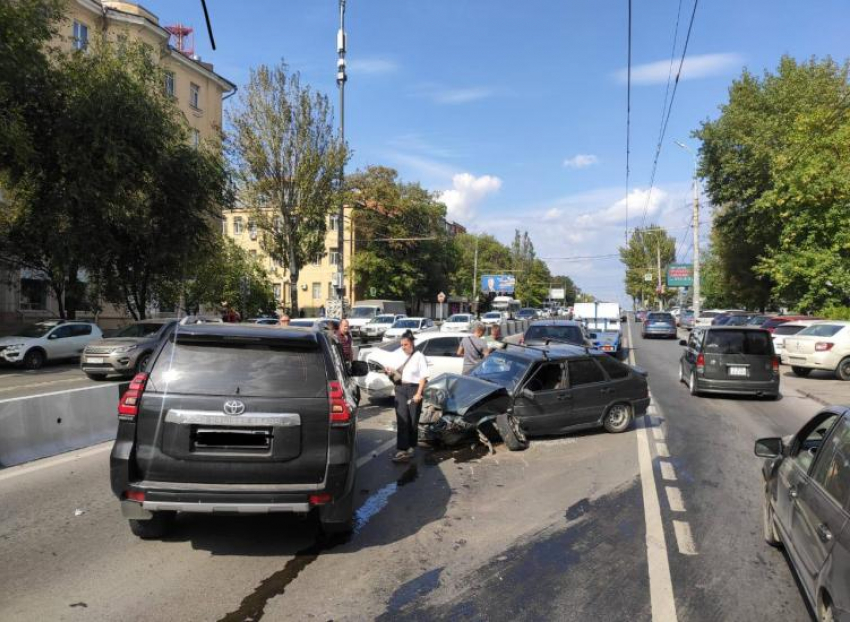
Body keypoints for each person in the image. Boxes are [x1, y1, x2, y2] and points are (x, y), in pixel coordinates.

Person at [384, 330, 429, 463]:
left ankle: (411, 446)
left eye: (406, 345)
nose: (403, 347)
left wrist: (418, 394)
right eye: (402, 345)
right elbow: (397, 371)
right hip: (400, 388)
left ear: (412, 343)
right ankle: (402, 449)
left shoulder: (419, 356)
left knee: (413, 419)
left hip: (414, 389)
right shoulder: (399, 355)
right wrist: (389, 371)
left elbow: (423, 377)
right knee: (402, 419)